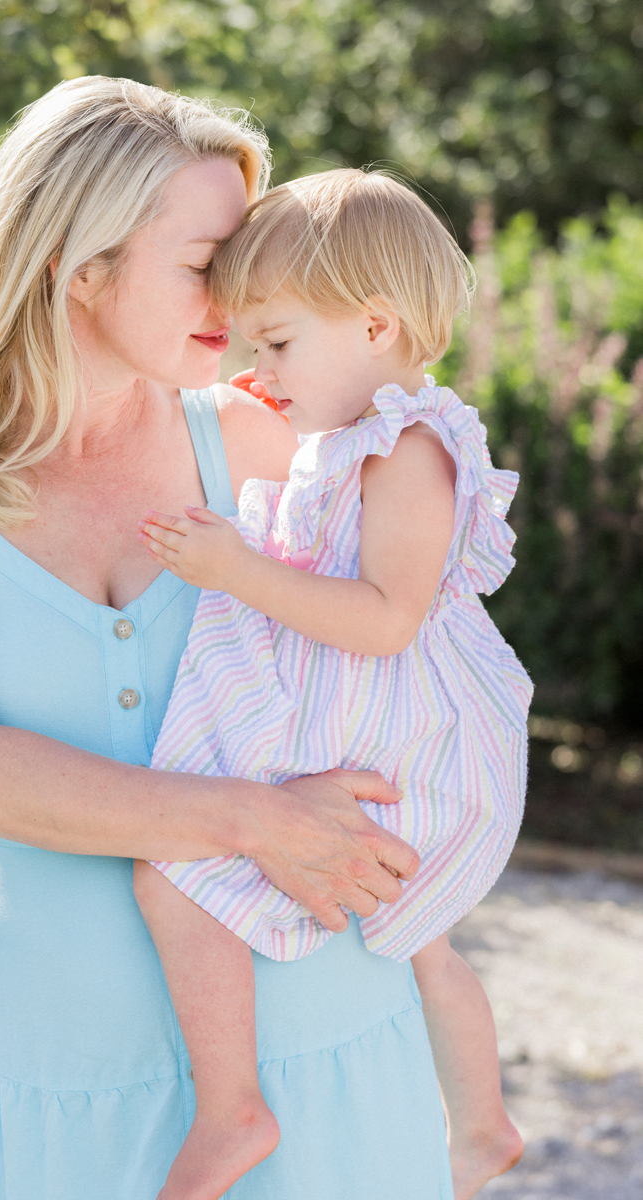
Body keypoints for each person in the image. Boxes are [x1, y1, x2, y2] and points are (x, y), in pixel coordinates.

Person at [0, 79, 455, 1199]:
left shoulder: (273, 440)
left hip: (322, 1045)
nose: (241, 293)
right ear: (83, 265)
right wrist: (259, 819)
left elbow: (415, 654)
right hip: (58, 1065)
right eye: (205, 258)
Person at [135, 168, 530, 1200]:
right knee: (424, 944)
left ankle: (233, 1114)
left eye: (274, 342)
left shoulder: (408, 450)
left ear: (374, 324)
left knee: (174, 874)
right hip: (360, 724)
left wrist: (238, 571)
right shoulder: (342, 442)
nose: (258, 370)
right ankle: (480, 1125)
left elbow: (388, 617)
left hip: (400, 735)